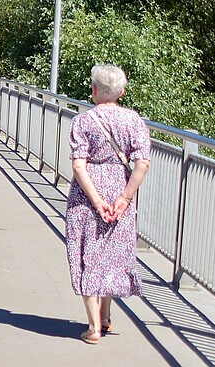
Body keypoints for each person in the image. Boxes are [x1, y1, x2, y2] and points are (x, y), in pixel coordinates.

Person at [65, 63, 152, 344]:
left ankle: (94, 328)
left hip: (87, 193)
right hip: (120, 189)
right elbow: (143, 162)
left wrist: (96, 200)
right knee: (111, 254)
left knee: (85, 253)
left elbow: (79, 166)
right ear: (122, 92)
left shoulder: (83, 121)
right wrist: (125, 197)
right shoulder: (133, 121)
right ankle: (105, 315)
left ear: (94, 90)